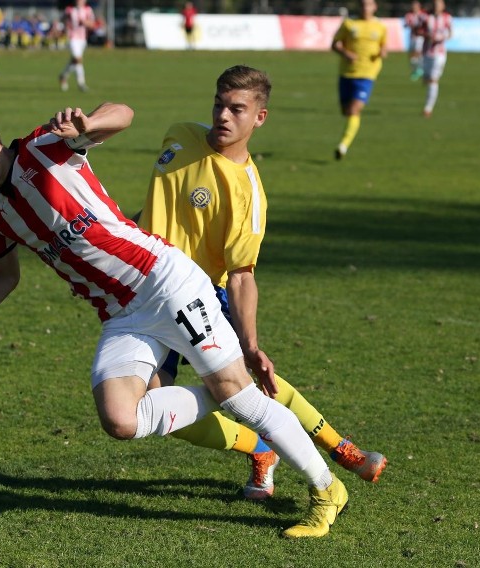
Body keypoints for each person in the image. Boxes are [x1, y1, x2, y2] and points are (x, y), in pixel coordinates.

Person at [0, 98, 348, 538]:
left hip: (165, 281)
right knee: (121, 419)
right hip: (122, 314)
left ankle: (326, 489)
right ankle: (224, 386)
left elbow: (124, 114)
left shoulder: (45, 147)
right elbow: (2, 275)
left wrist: (89, 124)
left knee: (239, 398)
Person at [136, 65, 387, 505]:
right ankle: (259, 448)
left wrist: (251, 342)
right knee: (150, 407)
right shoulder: (178, 136)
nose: (224, 116)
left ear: (259, 118)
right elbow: (154, 209)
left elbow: (241, 275)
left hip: (198, 298)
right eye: (219, 104)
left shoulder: (246, 192)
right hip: (145, 294)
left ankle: (340, 448)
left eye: (237, 109)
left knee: (249, 382)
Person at [331, 0, 387, 160]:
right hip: (347, 74)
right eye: (363, 4)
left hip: (367, 75)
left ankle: (343, 145)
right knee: (346, 111)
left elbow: (384, 46)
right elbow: (334, 44)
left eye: (369, 4)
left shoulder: (380, 27)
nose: (365, 7)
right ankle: (345, 140)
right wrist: (346, 53)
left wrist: (382, 52)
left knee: (354, 110)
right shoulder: (349, 23)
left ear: (375, 7)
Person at [419, 0, 452, 118]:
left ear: (443, 6)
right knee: (427, 78)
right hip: (427, 52)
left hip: (440, 53)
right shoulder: (425, 17)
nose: (436, 6)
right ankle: (428, 102)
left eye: (439, 4)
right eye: (434, 4)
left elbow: (450, 33)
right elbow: (418, 31)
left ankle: (428, 108)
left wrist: (441, 37)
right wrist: (427, 35)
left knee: (433, 79)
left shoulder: (447, 18)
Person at [58, 0, 95, 92]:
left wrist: (86, 23)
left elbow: (92, 24)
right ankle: (81, 83)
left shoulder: (88, 10)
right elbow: (62, 20)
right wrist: (66, 22)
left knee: (74, 61)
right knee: (78, 59)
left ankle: (63, 75)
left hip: (82, 39)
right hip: (72, 38)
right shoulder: (69, 10)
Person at [404, 1, 426, 80]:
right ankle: (416, 70)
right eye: (413, 5)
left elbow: (426, 24)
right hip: (412, 37)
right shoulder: (409, 15)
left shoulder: (423, 15)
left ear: (419, 6)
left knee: (417, 53)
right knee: (411, 56)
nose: (414, 7)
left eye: (415, 6)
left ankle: (420, 69)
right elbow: (406, 25)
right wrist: (410, 25)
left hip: (420, 37)